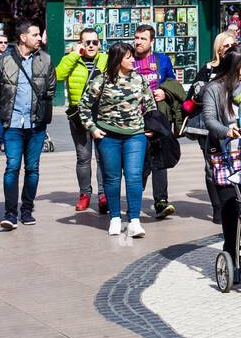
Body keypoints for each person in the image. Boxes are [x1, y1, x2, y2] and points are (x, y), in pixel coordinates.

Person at [79, 41, 155, 238]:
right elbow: (84, 106)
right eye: (128, 57)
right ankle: (114, 218)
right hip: (108, 136)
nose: (132, 60)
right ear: (117, 59)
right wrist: (93, 128)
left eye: (132, 56)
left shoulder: (139, 79)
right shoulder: (101, 80)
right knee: (112, 178)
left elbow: (151, 105)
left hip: (135, 136)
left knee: (134, 176)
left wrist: (151, 128)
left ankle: (134, 220)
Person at [201, 49, 241, 268]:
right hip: (225, 153)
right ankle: (231, 250)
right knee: (230, 206)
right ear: (236, 64)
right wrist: (226, 131)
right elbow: (209, 119)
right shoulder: (214, 89)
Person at [0, 21, 56, 230]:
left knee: (32, 168)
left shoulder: (45, 60)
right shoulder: (3, 61)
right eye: (35, 35)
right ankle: (10, 213)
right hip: (13, 124)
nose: (39, 38)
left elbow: (51, 88)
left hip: (36, 124)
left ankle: (26, 209)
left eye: (39, 35)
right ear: (22, 37)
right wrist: (7, 112)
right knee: (12, 167)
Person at [131, 24, 179, 217]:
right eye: (136, 38)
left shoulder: (162, 60)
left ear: (152, 41)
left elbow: (173, 84)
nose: (138, 42)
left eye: (143, 39)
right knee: (140, 162)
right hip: (134, 119)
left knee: (159, 160)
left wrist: (165, 92)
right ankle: (134, 199)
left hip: (157, 118)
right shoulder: (128, 59)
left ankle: (161, 201)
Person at [56, 27, 104, 212]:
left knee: (103, 157)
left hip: (102, 114)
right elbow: (58, 76)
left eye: (95, 42)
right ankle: (85, 194)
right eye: (87, 42)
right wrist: (74, 56)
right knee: (83, 157)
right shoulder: (72, 60)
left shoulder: (105, 59)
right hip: (79, 116)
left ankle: (103, 194)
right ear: (80, 44)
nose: (91, 46)